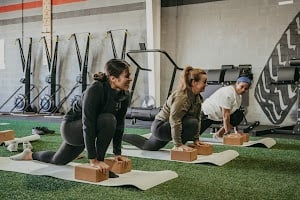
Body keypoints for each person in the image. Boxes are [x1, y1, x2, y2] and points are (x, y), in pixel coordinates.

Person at [10, 59, 132, 177]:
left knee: (58, 160)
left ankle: (30, 154)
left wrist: (117, 153)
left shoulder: (124, 95)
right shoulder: (95, 89)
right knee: (108, 119)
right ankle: (100, 161)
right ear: (113, 78)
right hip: (71, 129)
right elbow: (88, 123)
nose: (130, 79)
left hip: (88, 130)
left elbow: (120, 125)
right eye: (127, 76)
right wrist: (94, 160)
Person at [122, 66, 208, 151]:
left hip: (168, 126)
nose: (206, 84)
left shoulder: (198, 98)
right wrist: (178, 144)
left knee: (148, 145)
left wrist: (196, 139)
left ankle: (119, 136)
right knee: (192, 122)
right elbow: (175, 120)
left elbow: (198, 117)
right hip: (161, 127)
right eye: (204, 82)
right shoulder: (182, 97)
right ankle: (180, 147)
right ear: (194, 82)